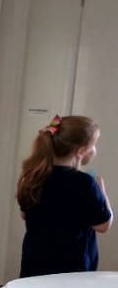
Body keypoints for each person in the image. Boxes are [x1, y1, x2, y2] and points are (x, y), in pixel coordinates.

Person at [16, 115, 112, 277]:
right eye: (94, 145)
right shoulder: (85, 183)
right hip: (71, 271)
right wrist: (101, 190)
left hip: (34, 266)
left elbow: (24, 214)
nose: (95, 150)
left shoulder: (34, 176)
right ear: (81, 151)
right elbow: (103, 225)